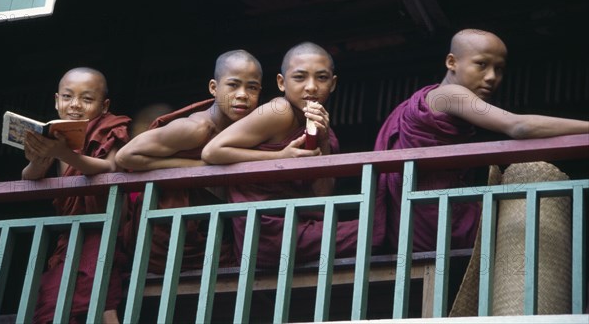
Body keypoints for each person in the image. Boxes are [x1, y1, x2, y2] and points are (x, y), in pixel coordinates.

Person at [374, 28, 589, 253]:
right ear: (451, 62)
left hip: (418, 217)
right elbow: (518, 126)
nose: (491, 77)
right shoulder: (451, 94)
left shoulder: (434, 97)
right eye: (481, 64)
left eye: (499, 69)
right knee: (528, 227)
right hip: (437, 220)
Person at [202, 41, 387, 267]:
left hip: (298, 226)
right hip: (266, 232)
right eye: (299, 78)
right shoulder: (279, 111)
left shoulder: (319, 126)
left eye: (321, 78)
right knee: (378, 228)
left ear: (333, 83)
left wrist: (323, 139)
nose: (311, 87)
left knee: (377, 226)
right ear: (281, 82)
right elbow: (212, 151)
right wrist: (280, 157)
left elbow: (322, 199)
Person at [115, 50, 263, 273]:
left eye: (252, 87)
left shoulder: (248, 129)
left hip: (209, 233)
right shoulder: (196, 128)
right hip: (167, 235)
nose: (242, 95)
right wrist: (197, 168)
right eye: (233, 85)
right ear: (214, 88)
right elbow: (126, 156)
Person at [22, 67, 131, 323]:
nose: (75, 105)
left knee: (100, 294)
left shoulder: (110, 127)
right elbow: (30, 176)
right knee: (52, 301)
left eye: (87, 99)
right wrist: (41, 156)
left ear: (104, 106)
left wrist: (65, 154)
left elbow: (109, 168)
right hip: (69, 238)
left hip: (102, 230)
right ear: (56, 100)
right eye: (68, 97)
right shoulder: (53, 135)